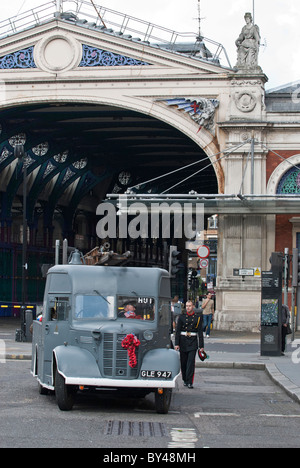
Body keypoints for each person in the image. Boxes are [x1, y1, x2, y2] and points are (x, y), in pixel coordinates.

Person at [175, 300, 204, 389]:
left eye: (190, 306)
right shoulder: (181, 317)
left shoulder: (198, 317)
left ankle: (189, 381)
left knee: (191, 363)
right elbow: (178, 331)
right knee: (183, 363)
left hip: (192, 342)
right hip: (183, 341)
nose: (188, 307)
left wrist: (201, 346)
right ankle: (185, 379)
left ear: (193, 307)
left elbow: (200, 332)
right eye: (187, 306)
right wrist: (176, 344)